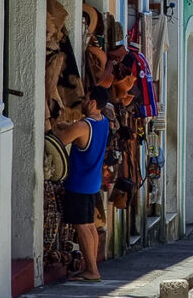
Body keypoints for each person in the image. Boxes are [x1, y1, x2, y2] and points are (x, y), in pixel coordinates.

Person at [53, 86, 111, 282]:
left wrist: (58, 127)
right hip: (92, 183)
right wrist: (69, 126)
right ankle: (92, 267)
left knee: (82, 226)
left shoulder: (83, 126)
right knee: (90, 226)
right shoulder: (103, 123)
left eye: (86, 98)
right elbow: (80, 135)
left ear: (93, 102)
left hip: (79, 184)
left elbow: (58, 141)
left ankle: (92, 271)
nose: (83, 101)